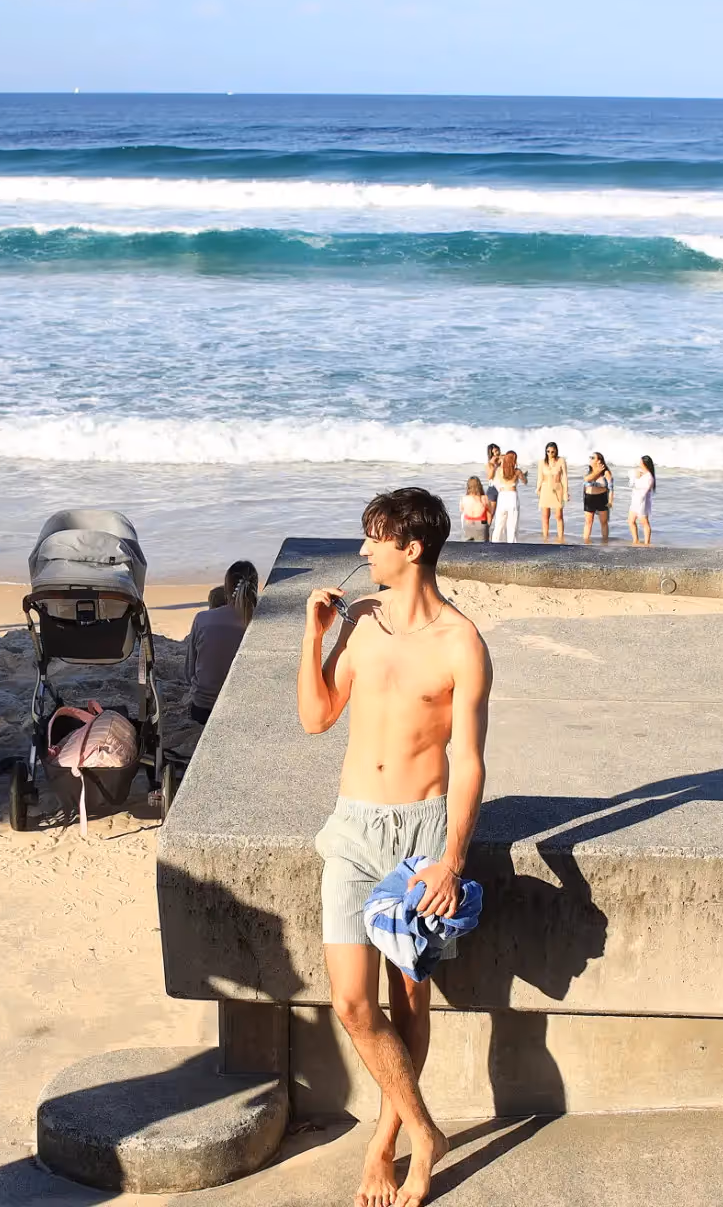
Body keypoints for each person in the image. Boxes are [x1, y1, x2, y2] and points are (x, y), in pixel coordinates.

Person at [298, 488, 491, 1207]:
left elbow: (469, 761)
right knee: (352, 1003)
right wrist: (313, 636)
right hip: (352, 830)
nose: (362, 552)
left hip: (422, 835)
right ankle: (427, 1129)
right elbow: (316, 717)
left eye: (373, 539)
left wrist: (453, 860)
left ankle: (390, 1146)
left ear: (411, 547)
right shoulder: (360, 622)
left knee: (410, 1005)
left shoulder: (461, 642)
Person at [185, 560, 259, 725]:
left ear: (227, 587)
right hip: (244, 711)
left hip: (203, 709)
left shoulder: (203, 619)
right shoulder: (261, 623)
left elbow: (189, 673)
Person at [536, 441, 569, 542]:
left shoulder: (561, 460)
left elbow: (565, 477)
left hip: (557, 488)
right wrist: (538, 488)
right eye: (548, 451)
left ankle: (560, 538)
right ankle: (545, 539)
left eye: (552, 452)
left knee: (559, 516)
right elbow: (540, 477)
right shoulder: (542, 462)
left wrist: (566, 492)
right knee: (545, 516)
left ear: (556, 452)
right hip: (545, 489)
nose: (550, 454)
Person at [490, 451, 524, 544]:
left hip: (502, 496)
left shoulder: (499, 470)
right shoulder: (517, 471)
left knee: (499, 524)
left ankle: (495, 544)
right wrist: (524, 476)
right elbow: (525, 481)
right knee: (512, 525)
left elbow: (493, 478)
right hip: (512, 496)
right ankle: (512, 546)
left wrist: (501, 458)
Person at [580, 452, 614, 544]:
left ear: (599, 460)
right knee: (588, 522)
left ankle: (605, 543)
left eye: (592, 458)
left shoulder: (606, 472)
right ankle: (586, 543)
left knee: (603, 522)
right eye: (590, 457)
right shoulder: (588, 471)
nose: (590, 459)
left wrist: (610, 501)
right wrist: (597, 471)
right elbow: (587, 479)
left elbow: (611, 488)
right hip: (589, 498)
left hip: (601, 498)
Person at [629, 455, 657, 546]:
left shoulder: (649, 477)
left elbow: (644, 491)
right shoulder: (640, 473)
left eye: (641, 462)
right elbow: (631, 484)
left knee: (644, 522)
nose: (639, 464)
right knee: (630, 520)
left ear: (645, 464)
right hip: (635, 499)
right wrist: (636, 477)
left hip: (642, 501)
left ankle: (646, 542)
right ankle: (635, 540)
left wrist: (637, 482)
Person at [458, 476, 490, 542]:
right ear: (479, 486)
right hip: (481, 524)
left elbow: (461, 510)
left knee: (467, 546)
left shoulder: (464, 498)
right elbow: (490, 512)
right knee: (482, 547)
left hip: (468, 524)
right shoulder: (484, 498)